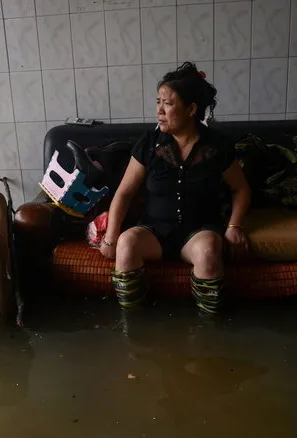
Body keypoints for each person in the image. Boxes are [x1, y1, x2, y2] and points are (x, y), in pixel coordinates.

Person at [99, 62, 251, 314]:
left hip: (198, 231)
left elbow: (241, 189)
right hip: (154, 231)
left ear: (191, 109)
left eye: (167, 104)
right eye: (158, 101)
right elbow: (124, 193)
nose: (159, 110)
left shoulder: (217, 145)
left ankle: (207, 334)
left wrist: (234, 226)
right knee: (127, 243)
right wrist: (111, 237)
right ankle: (135, 329)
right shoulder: (149, 143)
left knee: (209, 251)